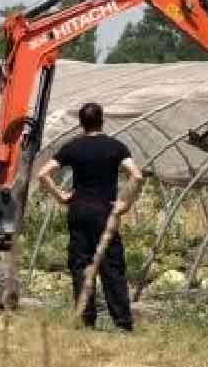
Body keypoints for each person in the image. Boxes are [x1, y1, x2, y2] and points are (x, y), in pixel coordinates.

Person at [36, 102, 143, 331]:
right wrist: (125, 203)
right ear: (102, 120)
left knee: (81, 264)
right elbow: (137, 175)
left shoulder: (73, 147)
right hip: (104, 211)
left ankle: (87, 319)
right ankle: (122, 322)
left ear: (81, 123)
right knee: (111, 266)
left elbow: (43, 173)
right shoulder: (116, 147)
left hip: (79, 210)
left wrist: (60, 196)